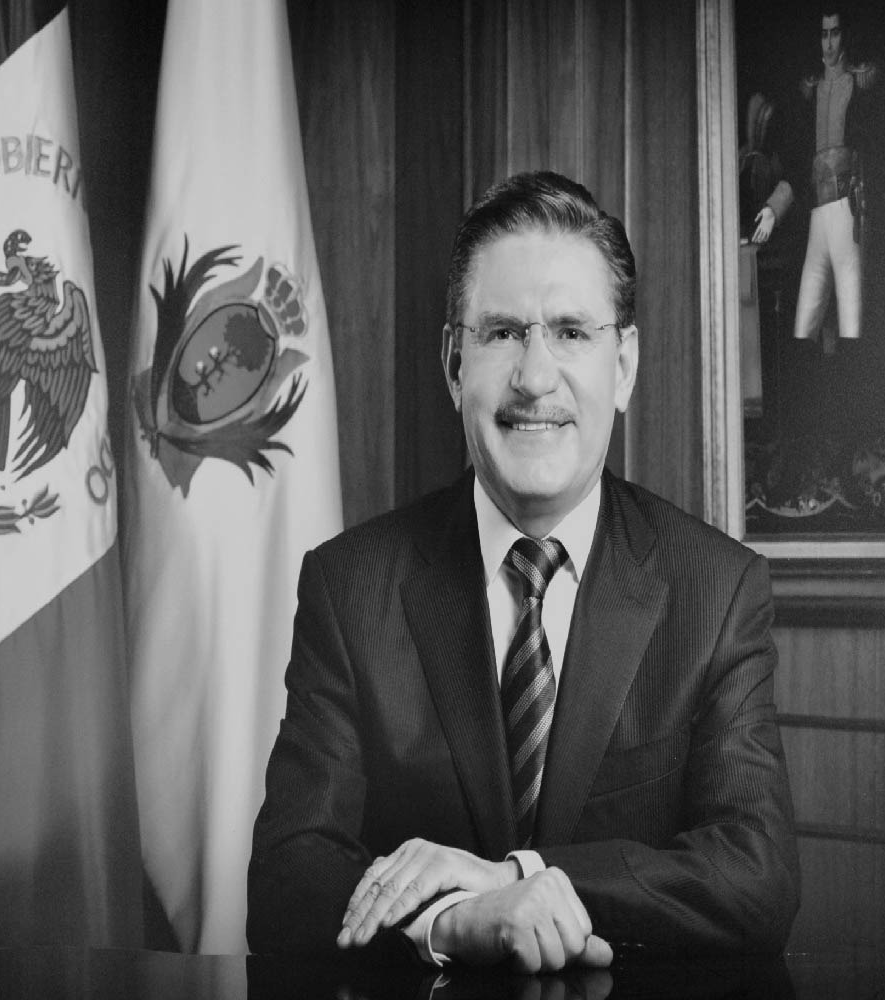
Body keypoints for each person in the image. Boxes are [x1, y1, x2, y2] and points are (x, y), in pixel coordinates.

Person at [247, 171, 800, 971]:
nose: (535, 378)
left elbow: (757, 876)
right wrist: (452, 920)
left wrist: (520, 877)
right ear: (454, 364)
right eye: (504, 332)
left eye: (572, 332)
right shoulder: (350, 587)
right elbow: (286, 880)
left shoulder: (716, 590)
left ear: (624, 366)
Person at [751, 6, 885, 344]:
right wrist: (772, 210)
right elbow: (799, 168)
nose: (829, 43)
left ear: (844, 36)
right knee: (803, 329)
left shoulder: (860, 87)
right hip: (817, 219)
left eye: (835, 33)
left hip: (848, 214)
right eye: (824, 34)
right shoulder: (811, 93)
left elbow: (881, 160)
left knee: (853, 327)